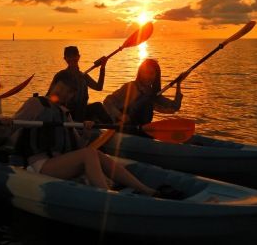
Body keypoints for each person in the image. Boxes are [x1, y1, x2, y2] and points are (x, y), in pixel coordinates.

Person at [14, 72, 157, 196]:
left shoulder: (65, 113)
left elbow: (78, 146)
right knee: (89, 153)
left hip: (59, 162)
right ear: (53, 84)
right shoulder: (36, 103)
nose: (64, 93)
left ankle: (145, 189)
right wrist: (5, 123)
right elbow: (13, 127)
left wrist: (86, 134)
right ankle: (108, 194)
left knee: (95, 153)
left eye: (69, 91)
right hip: (40, 164)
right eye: (62, 87)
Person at [103, 58, 183, 135]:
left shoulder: (154, 94)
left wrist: (178, 84)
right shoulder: (131, 87)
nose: (147, 76)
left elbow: (175, 107)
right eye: (145, 72)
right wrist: (120, 115)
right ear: (140, 73)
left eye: (151, 73)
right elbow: (107, 101)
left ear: (156, 75)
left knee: (147, 100)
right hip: (123, 128)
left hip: (141, 131)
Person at [46, 46, 112, 124]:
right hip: (68, 114)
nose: (72, 59)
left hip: (82, 112)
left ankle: (114, 128)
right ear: (65, 58)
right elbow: (49, 97)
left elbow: (99, 87)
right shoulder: (61, 75)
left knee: (98, 106)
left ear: (78, 57)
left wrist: (102, 68)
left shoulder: (83, 76)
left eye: (74, 56)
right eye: (69, 56)